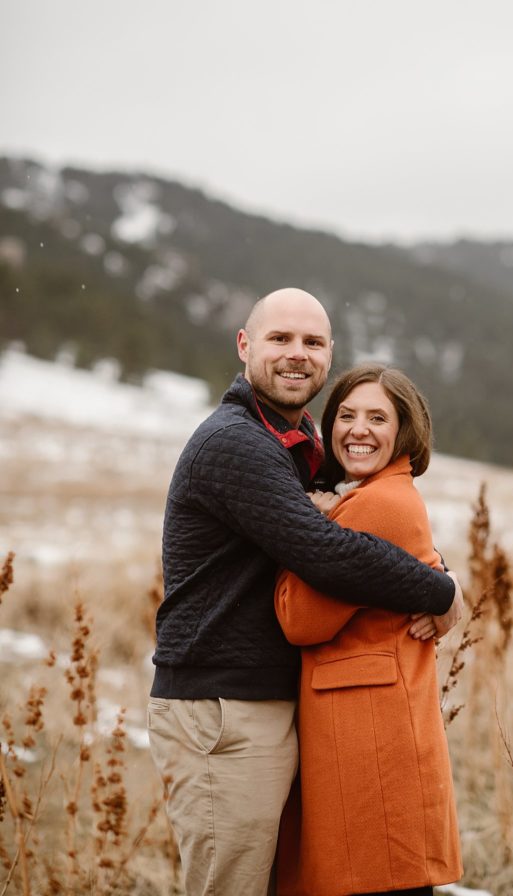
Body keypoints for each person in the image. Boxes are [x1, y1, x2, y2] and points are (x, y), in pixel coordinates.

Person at [147, 288, 463, 896]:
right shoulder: (235, 443)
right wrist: (439, 589)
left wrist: (431, 562)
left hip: (265, 701)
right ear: (244, 346)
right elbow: (327, 552)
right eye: (279, 339)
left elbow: (365, 521)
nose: (297, 355)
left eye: (312, 343)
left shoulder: (300, 444)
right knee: (230, 887)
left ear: (329, 356)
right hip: (222, 706)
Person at [275, 364, 463, 896]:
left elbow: (299, 619)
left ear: (404, 431)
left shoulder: (375, 503)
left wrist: (301, 534)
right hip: (371, 728)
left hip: (370, 738)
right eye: (347, 415)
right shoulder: (374, 494)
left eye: (378, 418)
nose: (358, 429)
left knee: (379, 882)